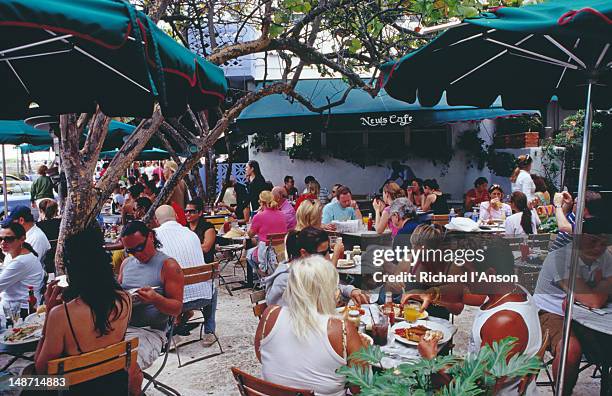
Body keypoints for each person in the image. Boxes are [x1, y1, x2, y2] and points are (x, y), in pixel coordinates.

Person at [403, 238, 542, 396]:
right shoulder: (510, 290)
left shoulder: (504, 321)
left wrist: (433, 359)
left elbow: (479, 389)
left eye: (467, 272)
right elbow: (462, 293)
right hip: (476, 374)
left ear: (490, 273)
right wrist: (430, 293)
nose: (463, 277)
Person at [33, 228, 132, 393]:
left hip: (76, 389)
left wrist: (49, 314)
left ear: (73, 269)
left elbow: (41, 371)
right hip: (116, 385)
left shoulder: (61, 315)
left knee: (12, 383)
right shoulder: (125, 300)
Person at [256, 255, 368, 396]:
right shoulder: (342, 329)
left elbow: (263, 357)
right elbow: (360, 388)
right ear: (327, 290)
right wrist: (364, 353)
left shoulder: (269, 314)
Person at [533, 218, 612, 395]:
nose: (599, 248)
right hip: (551, 312)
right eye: (593, 241)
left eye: (603, 243)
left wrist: (586, 295)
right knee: (570, 350)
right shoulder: (560, 258)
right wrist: (598, 289)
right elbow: (594, 301)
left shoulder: (605, 257)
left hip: (589, 315)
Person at [118, 221, 184, 395]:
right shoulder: (126, 264)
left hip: (151, 331)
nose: (136, 254)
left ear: (151, 237)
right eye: (130, 251)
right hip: (121, 328)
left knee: (127, 366)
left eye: (139, 247)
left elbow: (177, 309)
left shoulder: (168, 266)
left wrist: (155, 299)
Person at [154, 205, 217, 345]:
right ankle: (209, 331)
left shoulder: (154, 236)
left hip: (176, 304)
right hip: (204, 297)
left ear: (156, 221)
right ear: (176, 216)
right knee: (212, 286)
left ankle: (168, 333)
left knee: (156, 284)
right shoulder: (191, 234)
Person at [264, 227, 367, 306]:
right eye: (322, 254)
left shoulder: (311, 270)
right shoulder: (285, 280)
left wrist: (351, 291)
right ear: (303, 253)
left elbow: (332, 285)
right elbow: (287, 317)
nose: (327, 258)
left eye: (328, 252)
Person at [0, 223, 44, 309]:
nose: (3, 243)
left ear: (22, 239)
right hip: (11, 304)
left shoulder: (21, 261)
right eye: (0, 239)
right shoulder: (11, 255)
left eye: (8, 239)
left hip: (21, 310)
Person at [246, 191, 288, 279]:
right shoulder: (282, 214)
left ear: (262, 203)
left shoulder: (259, 216)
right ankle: (266, 276)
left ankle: (263, 276)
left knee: (249, 254)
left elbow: (249, 234)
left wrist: (252, 220)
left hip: (266, 253)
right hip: (281, 251)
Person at [185, 198, 216, 264]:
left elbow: (206, 248)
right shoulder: (184, 228)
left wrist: (184, 248)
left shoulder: (208, 227)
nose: (187, 214)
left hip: (205, 264)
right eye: (186, 211)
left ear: (200, 213)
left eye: (191, 211)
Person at [37, 199, 61, 274]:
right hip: (60, 256)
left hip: (45, 260)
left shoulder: (38, 226)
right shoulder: (61, 223)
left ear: (41, 210)